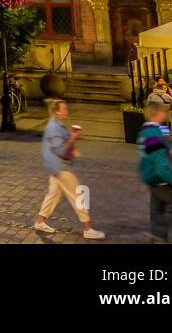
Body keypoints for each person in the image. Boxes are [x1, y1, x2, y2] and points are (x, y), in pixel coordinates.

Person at [33, 99, 105, 239]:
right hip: (61, 167)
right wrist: (73, 138)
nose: (67, 111)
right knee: (79, 195)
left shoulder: (57, 125)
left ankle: (40, 221)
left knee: (53, 195)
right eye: (64, 109)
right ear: (57, 111)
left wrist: (72, 138)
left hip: (56, 167)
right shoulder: (54, 127)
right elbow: (60, 150)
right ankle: (87, 228)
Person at [137, 102, 172, 242]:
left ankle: (159, 237)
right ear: (157, 113)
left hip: (151, 177)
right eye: (163, 111)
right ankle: (158, 233)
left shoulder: (148, 131)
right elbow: (159, 161)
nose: (166, 114)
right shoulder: (152, 134)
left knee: (156, 208)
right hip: (159, 178)